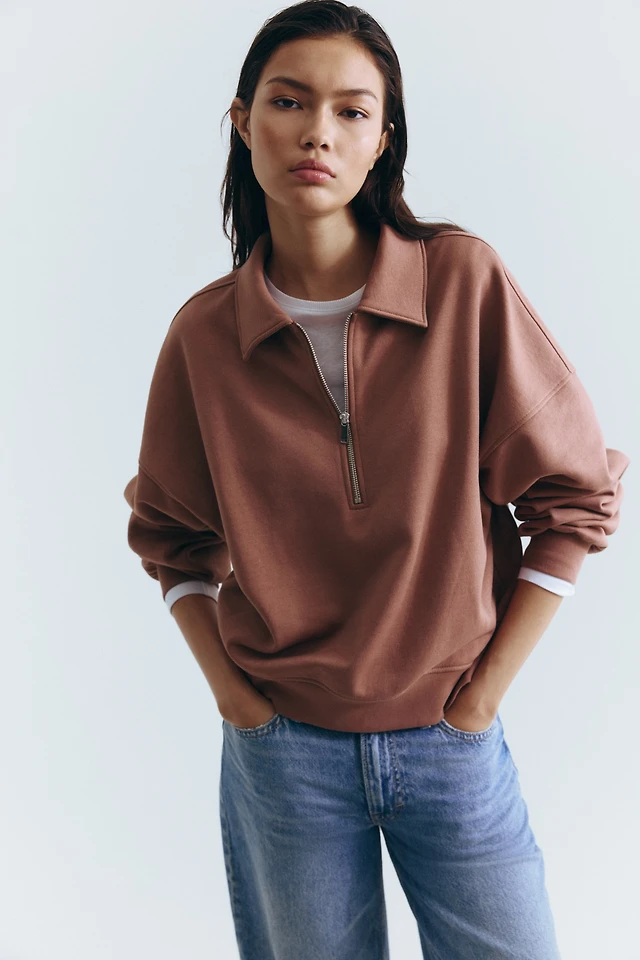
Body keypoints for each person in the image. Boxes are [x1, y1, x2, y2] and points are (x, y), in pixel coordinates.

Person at [122, 2, 630, 957]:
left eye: (352, 111)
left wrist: (480, 700)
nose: (318, 131)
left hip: (451, 742)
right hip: (285, 755)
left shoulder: (462, 284)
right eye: (289, 101)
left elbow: (573, 500)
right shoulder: (206, 337)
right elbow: (170, 538)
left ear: (383, 139)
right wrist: (237, 699)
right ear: (243, 123)